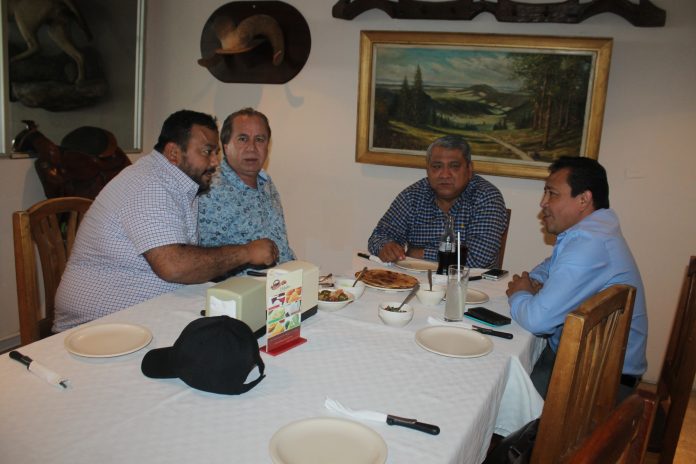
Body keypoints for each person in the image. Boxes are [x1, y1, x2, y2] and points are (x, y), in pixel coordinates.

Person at [54, 110, 279, 332]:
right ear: (173, 152)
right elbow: (174, 266)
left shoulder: (181, 183)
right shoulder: (149, 185)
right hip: (94, 326)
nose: (214, 162)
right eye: (207, 152)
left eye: (216, 153)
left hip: (149, 311)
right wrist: (247, 252)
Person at [506, 156, 648, 400]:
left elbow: (537, 320)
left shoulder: (590, 243)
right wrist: (535, 281)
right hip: (586, 365)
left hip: (597, 384)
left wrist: (520, 292)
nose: (543, 202)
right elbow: (550, 265)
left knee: (500, 393)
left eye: (552, 194)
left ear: (583, 199)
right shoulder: (591, 232)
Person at [367, 134, 507, 268]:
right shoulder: (413, 196)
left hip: (469, 281)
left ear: (469, 169)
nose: (445, 175)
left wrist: (421, 253)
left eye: (454, 166)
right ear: (427, 169)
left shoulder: (487, 197)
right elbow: (378, 236)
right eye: (437, 166)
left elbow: (478, 258)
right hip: (416, 279)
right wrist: (386, 247)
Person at [198, 108, 295, 277]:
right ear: (226, 146)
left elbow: (282, 245)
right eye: (243, 139)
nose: (252, 148)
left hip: (284, 284)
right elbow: (204, 263)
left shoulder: (266, 182)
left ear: (268, 146)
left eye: (260, 139)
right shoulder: (210, 189)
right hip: (239, 290)